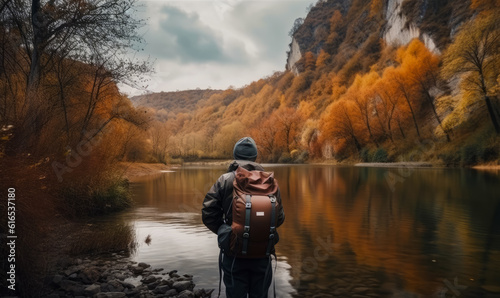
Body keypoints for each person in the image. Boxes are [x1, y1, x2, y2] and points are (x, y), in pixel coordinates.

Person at [202, 137, 285, 298]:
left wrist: (226, 231)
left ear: (235, 156)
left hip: (234, 254)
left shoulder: (225, 180)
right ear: (255, 157)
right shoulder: (270, 182)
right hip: (263, 253)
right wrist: (260, 230)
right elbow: (279, 218)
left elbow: (208, 213)